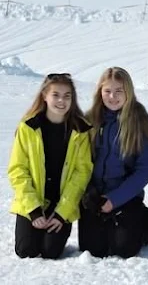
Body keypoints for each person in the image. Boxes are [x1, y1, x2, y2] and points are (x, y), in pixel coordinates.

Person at [8, 73, 93, 259]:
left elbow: (82, 173)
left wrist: (62, 213)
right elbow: (17, 170)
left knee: (50, 251)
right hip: (33, 201)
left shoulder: (80, 130)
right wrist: (33, 210)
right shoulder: (28, 128)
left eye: (67, 96)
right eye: (56, 95)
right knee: (26, 250)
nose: (61, 100)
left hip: (61, 204)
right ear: (44, 96)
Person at [78, 67, 148, 258]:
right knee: (93, 250)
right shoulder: (88, 120)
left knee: (124, 250)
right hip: (95, 195)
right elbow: (77, 162)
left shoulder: (142, 122)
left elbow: (144, 171)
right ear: (100, 92)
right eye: (107, 91)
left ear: (128, 92)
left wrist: (115, 199)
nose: (112, 96)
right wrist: (89, 192)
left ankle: (143, 220)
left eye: (119, 91)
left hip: (125, 195)